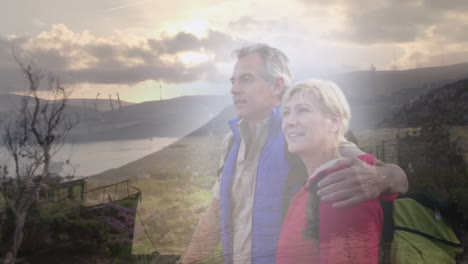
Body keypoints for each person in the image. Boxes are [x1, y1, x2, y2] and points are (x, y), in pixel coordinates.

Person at [180, 43, 408, 264]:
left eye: (246, 79)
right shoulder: (231, 142)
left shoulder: (303, 137)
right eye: (233, 81)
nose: (234, 88)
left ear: (278, 85)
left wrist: (384, 177)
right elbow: (216, 212)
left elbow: (377, 172)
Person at [276, 79, 394, 264]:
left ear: (333, 122)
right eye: (286, 113)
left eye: (303, 110)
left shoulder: (343, 189)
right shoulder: (320, 183)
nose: (289, 121)